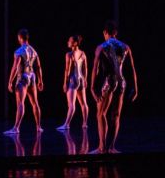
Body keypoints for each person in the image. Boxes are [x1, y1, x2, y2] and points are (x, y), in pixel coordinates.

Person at [90, 20, 138, 153]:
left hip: (109, 80)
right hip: (122, 81)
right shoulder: (125, 46)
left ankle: (102, 147)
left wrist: (92, 87)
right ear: (115, 33)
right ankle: (111, 147)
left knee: (100, 113)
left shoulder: (102, 46)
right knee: (116, 115)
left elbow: (95, 69)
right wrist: (136, 87)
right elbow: (132, 68)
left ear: (105, 32)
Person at [4, 28, 44, 134]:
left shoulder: (19, 51)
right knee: (35, 103)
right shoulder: (33, 51)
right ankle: (38, 127)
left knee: (20, 103)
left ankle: (16, 128)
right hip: (32, 76)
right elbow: (39, 66)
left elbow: (15, 66)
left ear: (20, 38)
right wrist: (41, 81)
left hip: (23, 77)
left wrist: (10, 81)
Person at [57, 35, 89, 130]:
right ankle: (84, 123)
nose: (68, 42)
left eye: (69, 40)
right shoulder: (83, 53)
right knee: (84, 103)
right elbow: (85, 68)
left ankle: (67, 124)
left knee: (71, 104)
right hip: (81, 79)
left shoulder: (69, 54)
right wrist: (85, 79)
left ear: (75, 43)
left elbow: (67, 70)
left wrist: (64, 83)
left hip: (73, 79)